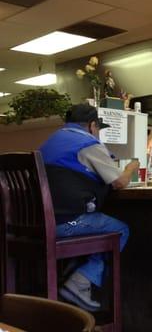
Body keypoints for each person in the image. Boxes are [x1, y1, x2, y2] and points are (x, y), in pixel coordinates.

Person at [39, 103, 139, 312]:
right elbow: (119, 182)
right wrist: (131, 167)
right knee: (121, 230)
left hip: (40, 224)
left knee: (91, 224)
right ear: (93, 125)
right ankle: (79, 283)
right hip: (67, 223)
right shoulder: (87, 143)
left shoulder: (48, 143)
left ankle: (69, 280)